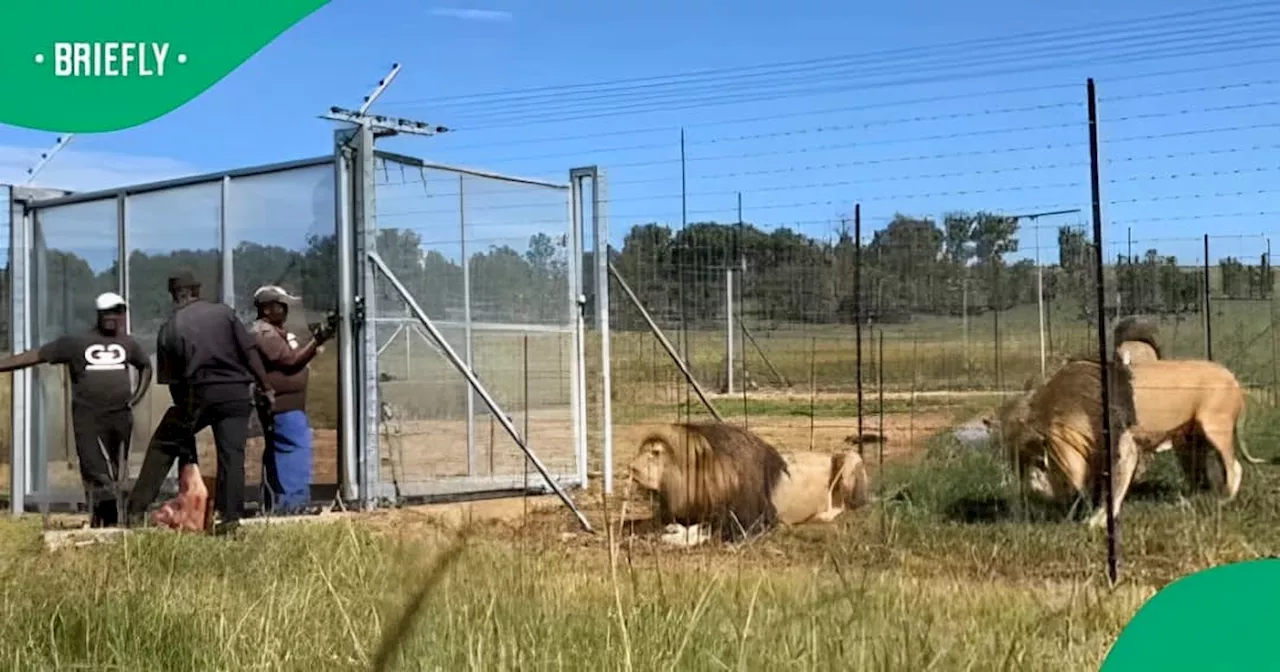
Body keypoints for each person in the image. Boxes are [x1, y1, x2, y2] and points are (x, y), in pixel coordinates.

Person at [126, 271, 276, 534]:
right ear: (198, 290)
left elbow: (174, 383)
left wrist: (185, 427)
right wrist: (267, 386)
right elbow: (249, 352)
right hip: (235, 393)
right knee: (232, 456)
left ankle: (135, 510)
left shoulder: (170, 327)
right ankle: (229, 519)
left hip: (199, 393)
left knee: (164, 443)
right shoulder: (224, 314)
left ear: (175, 295)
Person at [0, 292, 152, 527]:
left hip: (120, 416)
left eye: (119, 312)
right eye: (109, 312)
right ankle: (106, 519)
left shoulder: (128, 343)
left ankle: (108, 520)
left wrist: (136, 396)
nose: (115, 317)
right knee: (94, 467)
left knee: (116, 470)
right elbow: (36, 356)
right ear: (100, 315)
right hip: (88, 417)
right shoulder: (76, 343)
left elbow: (145, 367)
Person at [249, 285, 336, 514]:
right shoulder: (264, 332)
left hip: (288, 405)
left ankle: (277, 504)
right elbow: (290, 361)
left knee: (282, 453)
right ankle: (294, 505)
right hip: (283, 407)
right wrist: (319, 338)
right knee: (293, 451)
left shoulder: (276, 330)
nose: (285, 310)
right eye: (281, 305)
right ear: (267, 309)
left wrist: (318, 338)